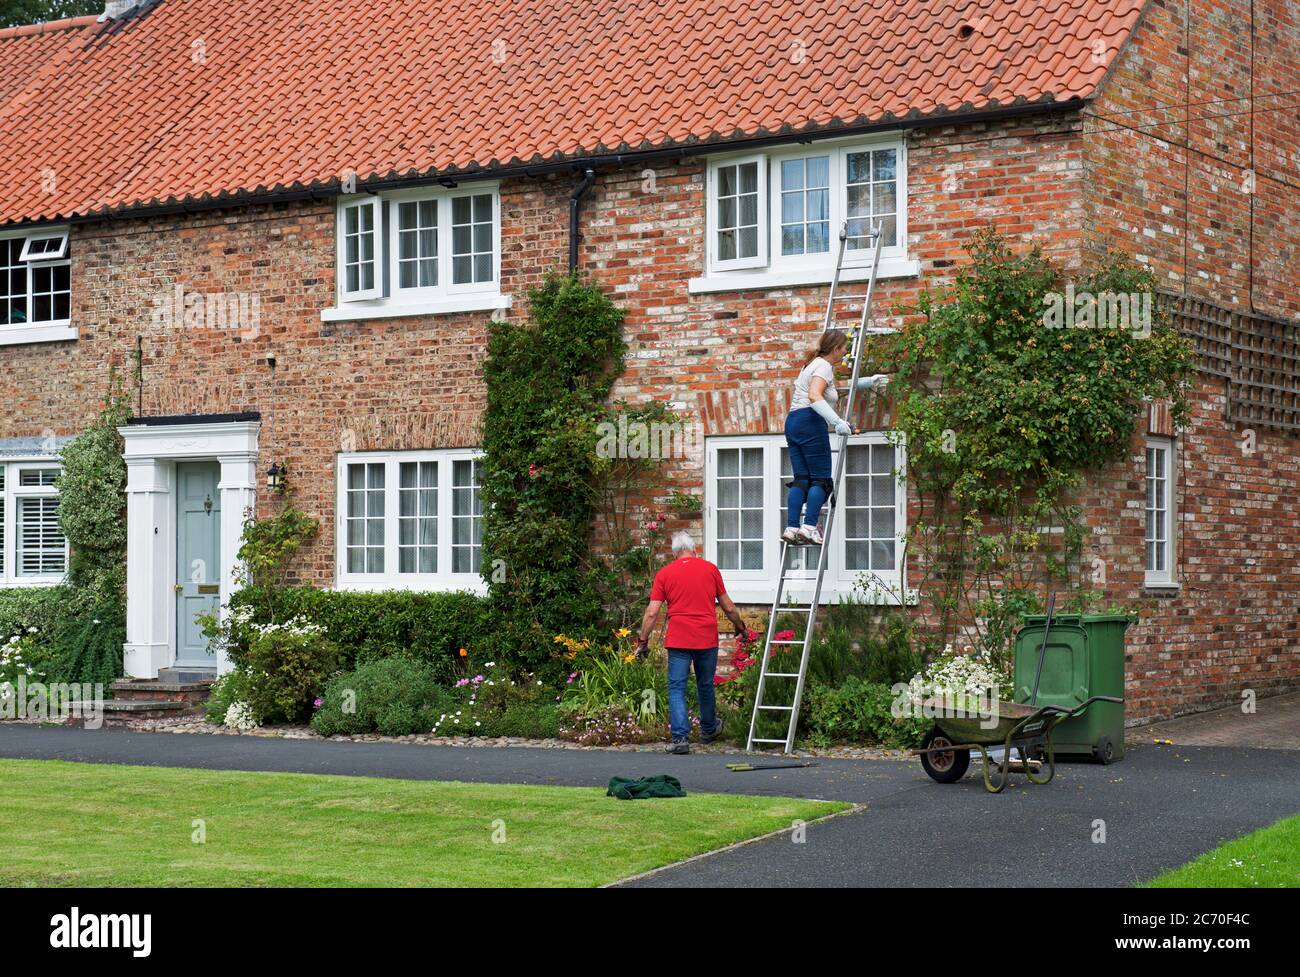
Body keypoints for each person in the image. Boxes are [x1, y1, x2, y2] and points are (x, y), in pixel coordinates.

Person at [635, 530, 748, 754]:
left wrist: (642, 640)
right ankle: (708, 730)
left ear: (674, 553)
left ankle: (679, 739)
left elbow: (651, 613)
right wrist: (740, 626)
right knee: (705, 684)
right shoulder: (710, 569)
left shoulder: (665, 574)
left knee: (677, 687)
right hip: (706, 637)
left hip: (678, 639)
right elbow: (728, 607)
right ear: (694, 550)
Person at [783, 329, 888, 545]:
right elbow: (815, 395)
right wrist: (837, 422)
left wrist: (867, 382)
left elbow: (831, 390)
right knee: (821, 479)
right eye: (843, 349)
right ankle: (809, 527)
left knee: (802, 479)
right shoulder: (823, 366)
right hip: (810, 422)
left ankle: (792, 528)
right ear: (835, 349)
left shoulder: (813, 364)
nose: (845, 353)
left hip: (793, 422)